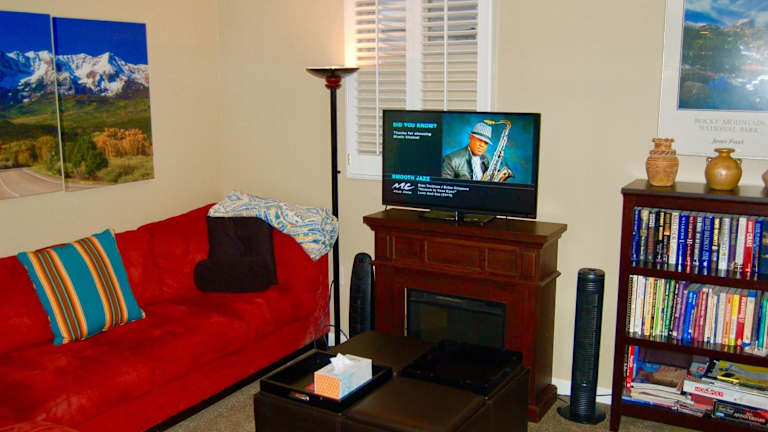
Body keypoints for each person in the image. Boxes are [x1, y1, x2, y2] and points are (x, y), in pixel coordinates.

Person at [442, 122, 511, 181]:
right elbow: (446, 186)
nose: (482, 145)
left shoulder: (486, 158)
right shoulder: (451, 159)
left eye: (485, 142)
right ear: (471, 137)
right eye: (479, 140)